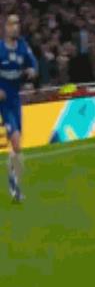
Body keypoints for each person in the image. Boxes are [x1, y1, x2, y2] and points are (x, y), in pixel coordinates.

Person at [0, 14, 38, 202]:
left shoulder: (23, 46)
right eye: (12, 24)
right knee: (16, 142)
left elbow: (34, 63)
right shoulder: (0, 49)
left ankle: (14, 185)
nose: (16, 27)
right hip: (3, 101)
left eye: (18, 23)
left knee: (17, 146)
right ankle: (14, 186)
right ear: (5, 28)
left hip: (15, 100)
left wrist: (32, 70)